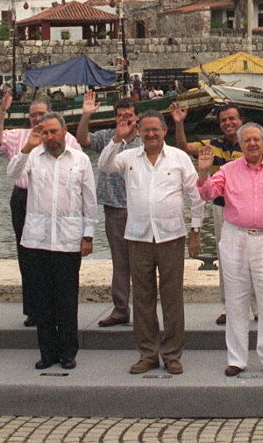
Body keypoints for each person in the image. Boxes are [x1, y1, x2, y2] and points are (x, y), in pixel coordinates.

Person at [98, 110, 203, 375]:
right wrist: (116, 139)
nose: (151, 134)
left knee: (172, 298)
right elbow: (104, 167)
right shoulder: (127, 157)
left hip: (171, 236)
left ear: (165, 130)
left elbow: (196, 194)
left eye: (156, 129)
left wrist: (196, 230)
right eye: (146, 130)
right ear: (139, 132)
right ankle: (147, 354)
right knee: (142, 299)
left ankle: (172, 354)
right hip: (138, 236)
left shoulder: (179, 158)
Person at [196, 122, 263, 377]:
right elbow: (208, 194)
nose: (252, 143)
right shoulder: (227, 170)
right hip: (235, 238)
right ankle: (237, 359)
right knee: (236, 300)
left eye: (256, 139)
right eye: (247, 140)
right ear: (240, 145)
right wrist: (204, 173)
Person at [7, 114, 97, 370]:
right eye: (44, 132)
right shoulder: (33, 156)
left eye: (53, 132)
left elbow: (88, 200)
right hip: (37, 239)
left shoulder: (80, 160)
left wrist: (87, 235)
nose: (49, 137)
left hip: (68, 241)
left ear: (64, 131)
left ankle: (68, 352)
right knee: (42, 300)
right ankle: (47, 352)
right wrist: (27, 146)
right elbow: (11, 173)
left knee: (66, 300)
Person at [0, 90, 80, 327]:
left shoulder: (66, 139)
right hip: (23, 198)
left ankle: (56, 307)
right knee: (27, 255)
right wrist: (1, 112)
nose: (37, 120)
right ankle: (33, 308)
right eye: (33, 115)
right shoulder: (18, 136)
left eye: (41, 114)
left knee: (54, 255)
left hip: (53, 198)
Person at [171, 102, 244, 326]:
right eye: (223, 120)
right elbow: (184, 147)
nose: (228, 123)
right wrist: (179, 123)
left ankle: (255, 307)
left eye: (232, 118)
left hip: (248, 211)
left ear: (241, 120)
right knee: (225, 259)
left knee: (250, 260)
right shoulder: (212, 146)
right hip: (222, 209)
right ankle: (228, 307)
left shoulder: (252, 143)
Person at [76, 92, 141, 328]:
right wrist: (86, 115)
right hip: (114, 209)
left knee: (142, 263)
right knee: (120, 262)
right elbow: (82, 140)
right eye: (121, 115)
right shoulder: (106, 137)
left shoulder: (145, 140)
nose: (125, 119)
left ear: (137, 117)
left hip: (140, 209)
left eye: (130, 115)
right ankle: (121, 309)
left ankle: (144, 311)